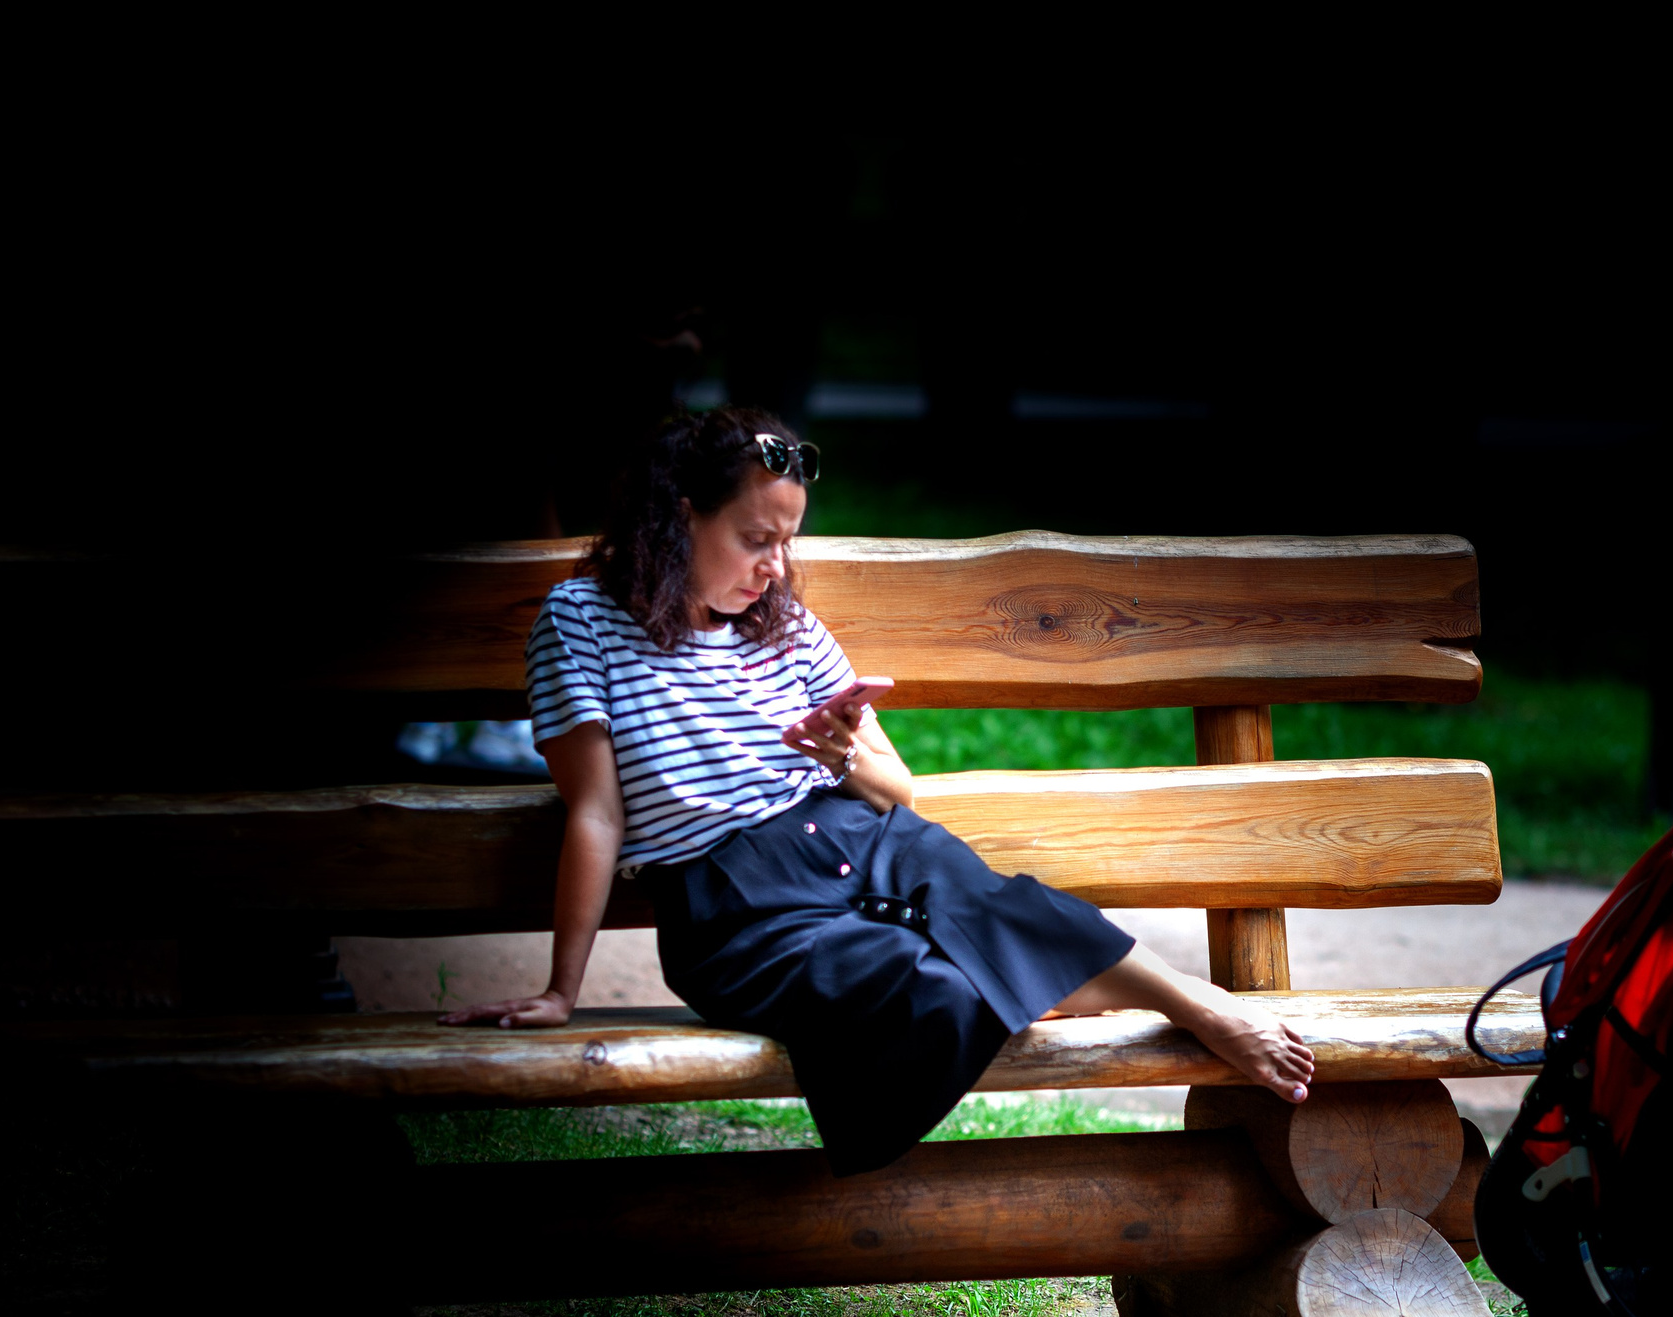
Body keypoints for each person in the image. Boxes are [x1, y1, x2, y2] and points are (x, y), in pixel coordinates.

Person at [443, 407, 1312, 1174]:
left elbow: (899, 790)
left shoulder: (788, 628)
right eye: (756, 538)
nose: (776, 567)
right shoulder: (579, 622)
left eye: (788, 541)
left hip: (858, 833)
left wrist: (842, 755)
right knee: (936, 987)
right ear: (680, 518)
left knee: (998, 904)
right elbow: (594, 811)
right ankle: (1154, 999)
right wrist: (562, 987)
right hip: (732, 900)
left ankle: (1206, 1008)